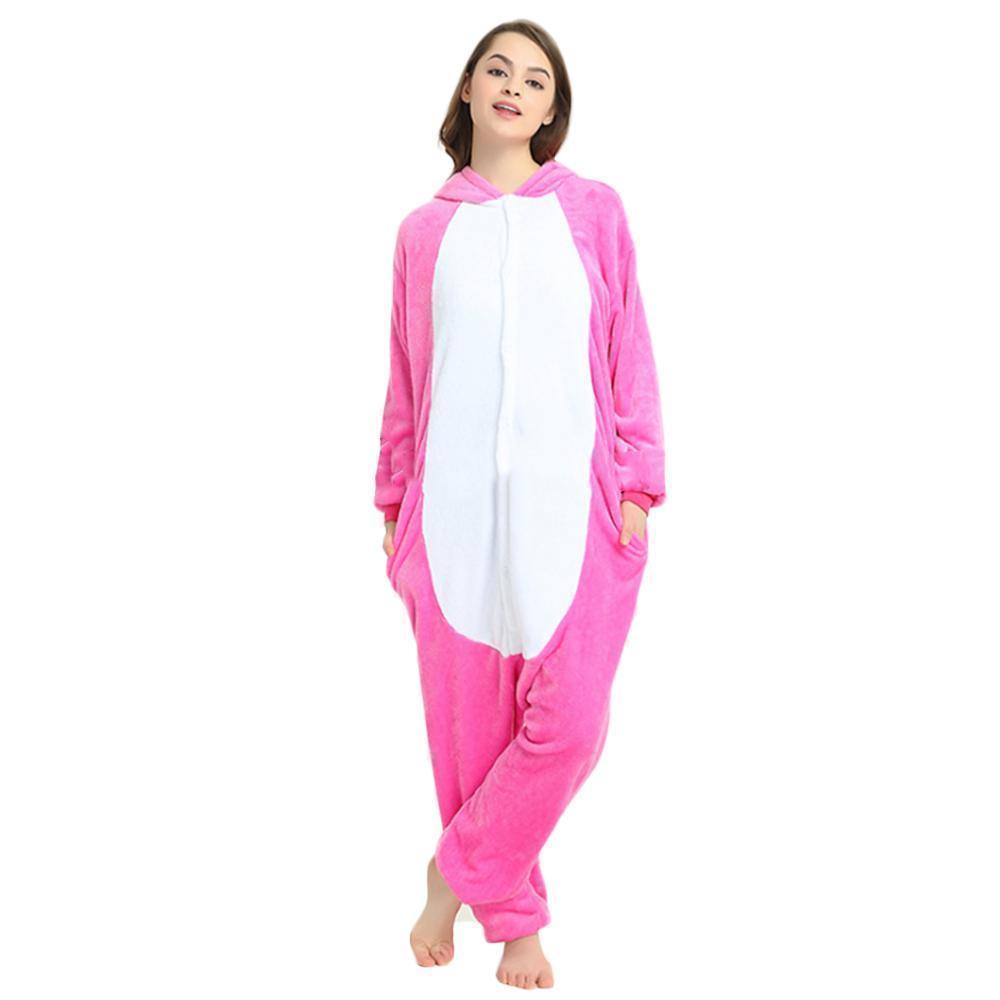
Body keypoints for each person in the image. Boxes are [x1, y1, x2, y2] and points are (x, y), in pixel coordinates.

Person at [373, 19, 666, 991]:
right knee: (473, 737)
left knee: (572, 724)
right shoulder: (423, 233)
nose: (513, 86)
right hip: (449, 521)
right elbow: (407, 377)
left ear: (551, 109)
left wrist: (638, 482)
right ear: (467, 90)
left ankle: (453, 873)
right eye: (497, 70)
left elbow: (627, 349)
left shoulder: (592, 212)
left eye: (535, 79)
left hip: (576, 513)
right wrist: (393, 502)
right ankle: (515, 925)